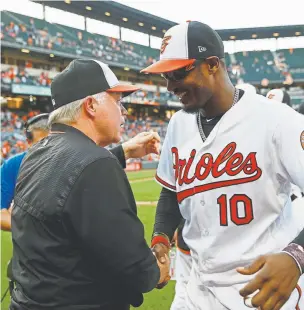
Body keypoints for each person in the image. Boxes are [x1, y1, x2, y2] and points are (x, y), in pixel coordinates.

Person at [142, 21, 304, 310]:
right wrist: (161, 238)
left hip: (262, 285)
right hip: (196, 284)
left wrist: (297, 256)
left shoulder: (277, 120)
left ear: (213, 65)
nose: (169, 86)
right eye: (166, 75)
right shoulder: (179, 124)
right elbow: (170, 192)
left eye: (179, 72)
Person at [10, 59, 170, 310]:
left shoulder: (36, 152)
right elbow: (136, 269)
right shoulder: (96, 164)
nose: (125, 111)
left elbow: (66, 179)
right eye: (118, 102)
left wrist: (123, 151)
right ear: (91, 105)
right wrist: (159, 269)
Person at [1, 113, 49, 231]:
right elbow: (1, 215)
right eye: (42, 143)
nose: (50, 148)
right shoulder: (13, 165)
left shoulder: (74, 163)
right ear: (28, 142)